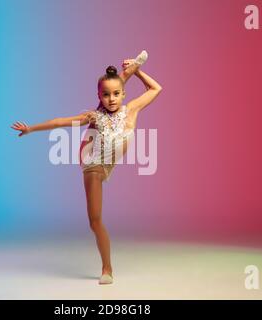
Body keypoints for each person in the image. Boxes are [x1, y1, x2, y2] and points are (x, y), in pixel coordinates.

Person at [11, 50, 162, 285]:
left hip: (109, 151)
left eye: (115, 94)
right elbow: (60, 122)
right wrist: (31, 128)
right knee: (94, 221)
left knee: (106, 112)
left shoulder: (130, 109)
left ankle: (130, 69)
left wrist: (139, 71)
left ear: (123, 94)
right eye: (105, 95)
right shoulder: (94, 115)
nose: (111, 99)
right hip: (93, 162)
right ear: (99, 95)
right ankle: (107, 268)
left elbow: (156, 89)